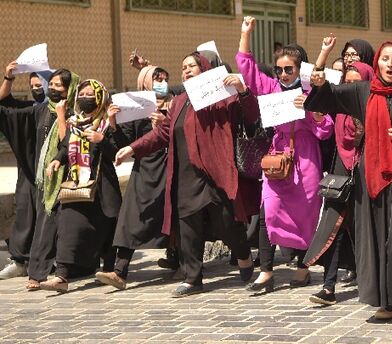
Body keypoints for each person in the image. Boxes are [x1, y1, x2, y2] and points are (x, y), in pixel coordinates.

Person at [304, 41, 392, 323]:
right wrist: (318, 74)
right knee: (378, 240)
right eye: (385, 59)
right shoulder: (363, 91)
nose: (390, 64)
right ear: (378, 63)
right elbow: (326, 96)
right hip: (372, 177)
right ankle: (387, 303)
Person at [115, 52, 259, 298]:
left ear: (204, 68)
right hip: (185, 175)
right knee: (187, 226)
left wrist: (243, 91)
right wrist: (133, 147)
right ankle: (193, 278)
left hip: (215, 172)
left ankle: (244, 255)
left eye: (191, 65)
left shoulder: (223, 96)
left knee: (226, 223)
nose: (186, 70)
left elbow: (251, 116)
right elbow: (162, 133)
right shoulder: (179, 101)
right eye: (183, 67)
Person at [236, 17, 334, 292]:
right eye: (278, 70)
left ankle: (303, 267)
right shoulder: (271, 88)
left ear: (299, 68)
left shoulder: (311, 91)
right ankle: (265, 272)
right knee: (269, 210)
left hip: (306, 159)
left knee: (307, 214)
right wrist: (246, 33)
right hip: (277, 156)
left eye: (288, 69)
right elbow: (247, 69)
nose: (282, 74)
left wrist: (313, 110)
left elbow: (325, 130)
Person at [92, 66, 173, 290]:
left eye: (164, 78)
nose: (161, 82)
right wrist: (115, 123)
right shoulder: (136, 110)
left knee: (173, 215)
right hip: (144, 169)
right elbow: (122, 144)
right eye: (156, 78)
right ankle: (120, 271)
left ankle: (179, 260)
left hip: (170, 167)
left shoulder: (174, 103)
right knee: (130, 218)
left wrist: (163, 125)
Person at [38, 80, 123, 292]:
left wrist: (102, 138)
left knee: (109, 226)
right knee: (67, 226)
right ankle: (62, 276)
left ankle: (110, 271)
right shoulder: (73, 122)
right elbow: (66, 145)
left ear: (100, 98)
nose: (85, 97)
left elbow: (117, 153)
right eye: (82, 93)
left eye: (89, 94)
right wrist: (58, 160)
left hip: (103, 186)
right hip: (76, 184)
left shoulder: (107, 122)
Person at [0, 68, 79, 289]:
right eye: (50, 85)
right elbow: (7, 112)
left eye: (57, 85)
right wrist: (8, 77)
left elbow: (68, 143)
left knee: (69, 226)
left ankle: (69, 268)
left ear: (68, 89)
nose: (50, 89)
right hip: (47, 179)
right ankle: (37, 272)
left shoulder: (76, 111)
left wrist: (63, 116)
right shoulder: (42, 110)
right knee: (46, 223)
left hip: (70, 176)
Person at [305, 60, 373, 305]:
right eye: (347, 83)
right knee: (332, 226)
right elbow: (320, 109)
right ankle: (328, 286)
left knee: (362, 228)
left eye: (357, 83)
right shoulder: (338, 106)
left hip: (367, 172)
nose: (351, 88)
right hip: (340, 172)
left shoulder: (374, 107)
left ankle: (370, 279)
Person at [0, 63, 49, 280]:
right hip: (29, 174)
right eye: (33, 86)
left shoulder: (62, 111)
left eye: (41, 85)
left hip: (55, 175)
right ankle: (20, 261)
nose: (37, 89)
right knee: (25, 213)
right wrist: (8, 77)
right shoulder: (28, 110)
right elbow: (3, 102)